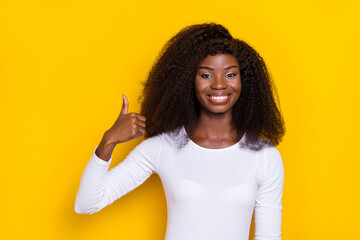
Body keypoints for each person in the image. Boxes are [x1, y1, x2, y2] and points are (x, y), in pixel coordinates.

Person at [74, 22, 286, 240]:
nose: (219, 85)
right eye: (206, 75)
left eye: (230, 74)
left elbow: (269, 236)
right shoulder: (163, 147)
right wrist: (108, 142)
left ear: (245, 81)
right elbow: (86, 204)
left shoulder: (265, 157)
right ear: (188, 81)